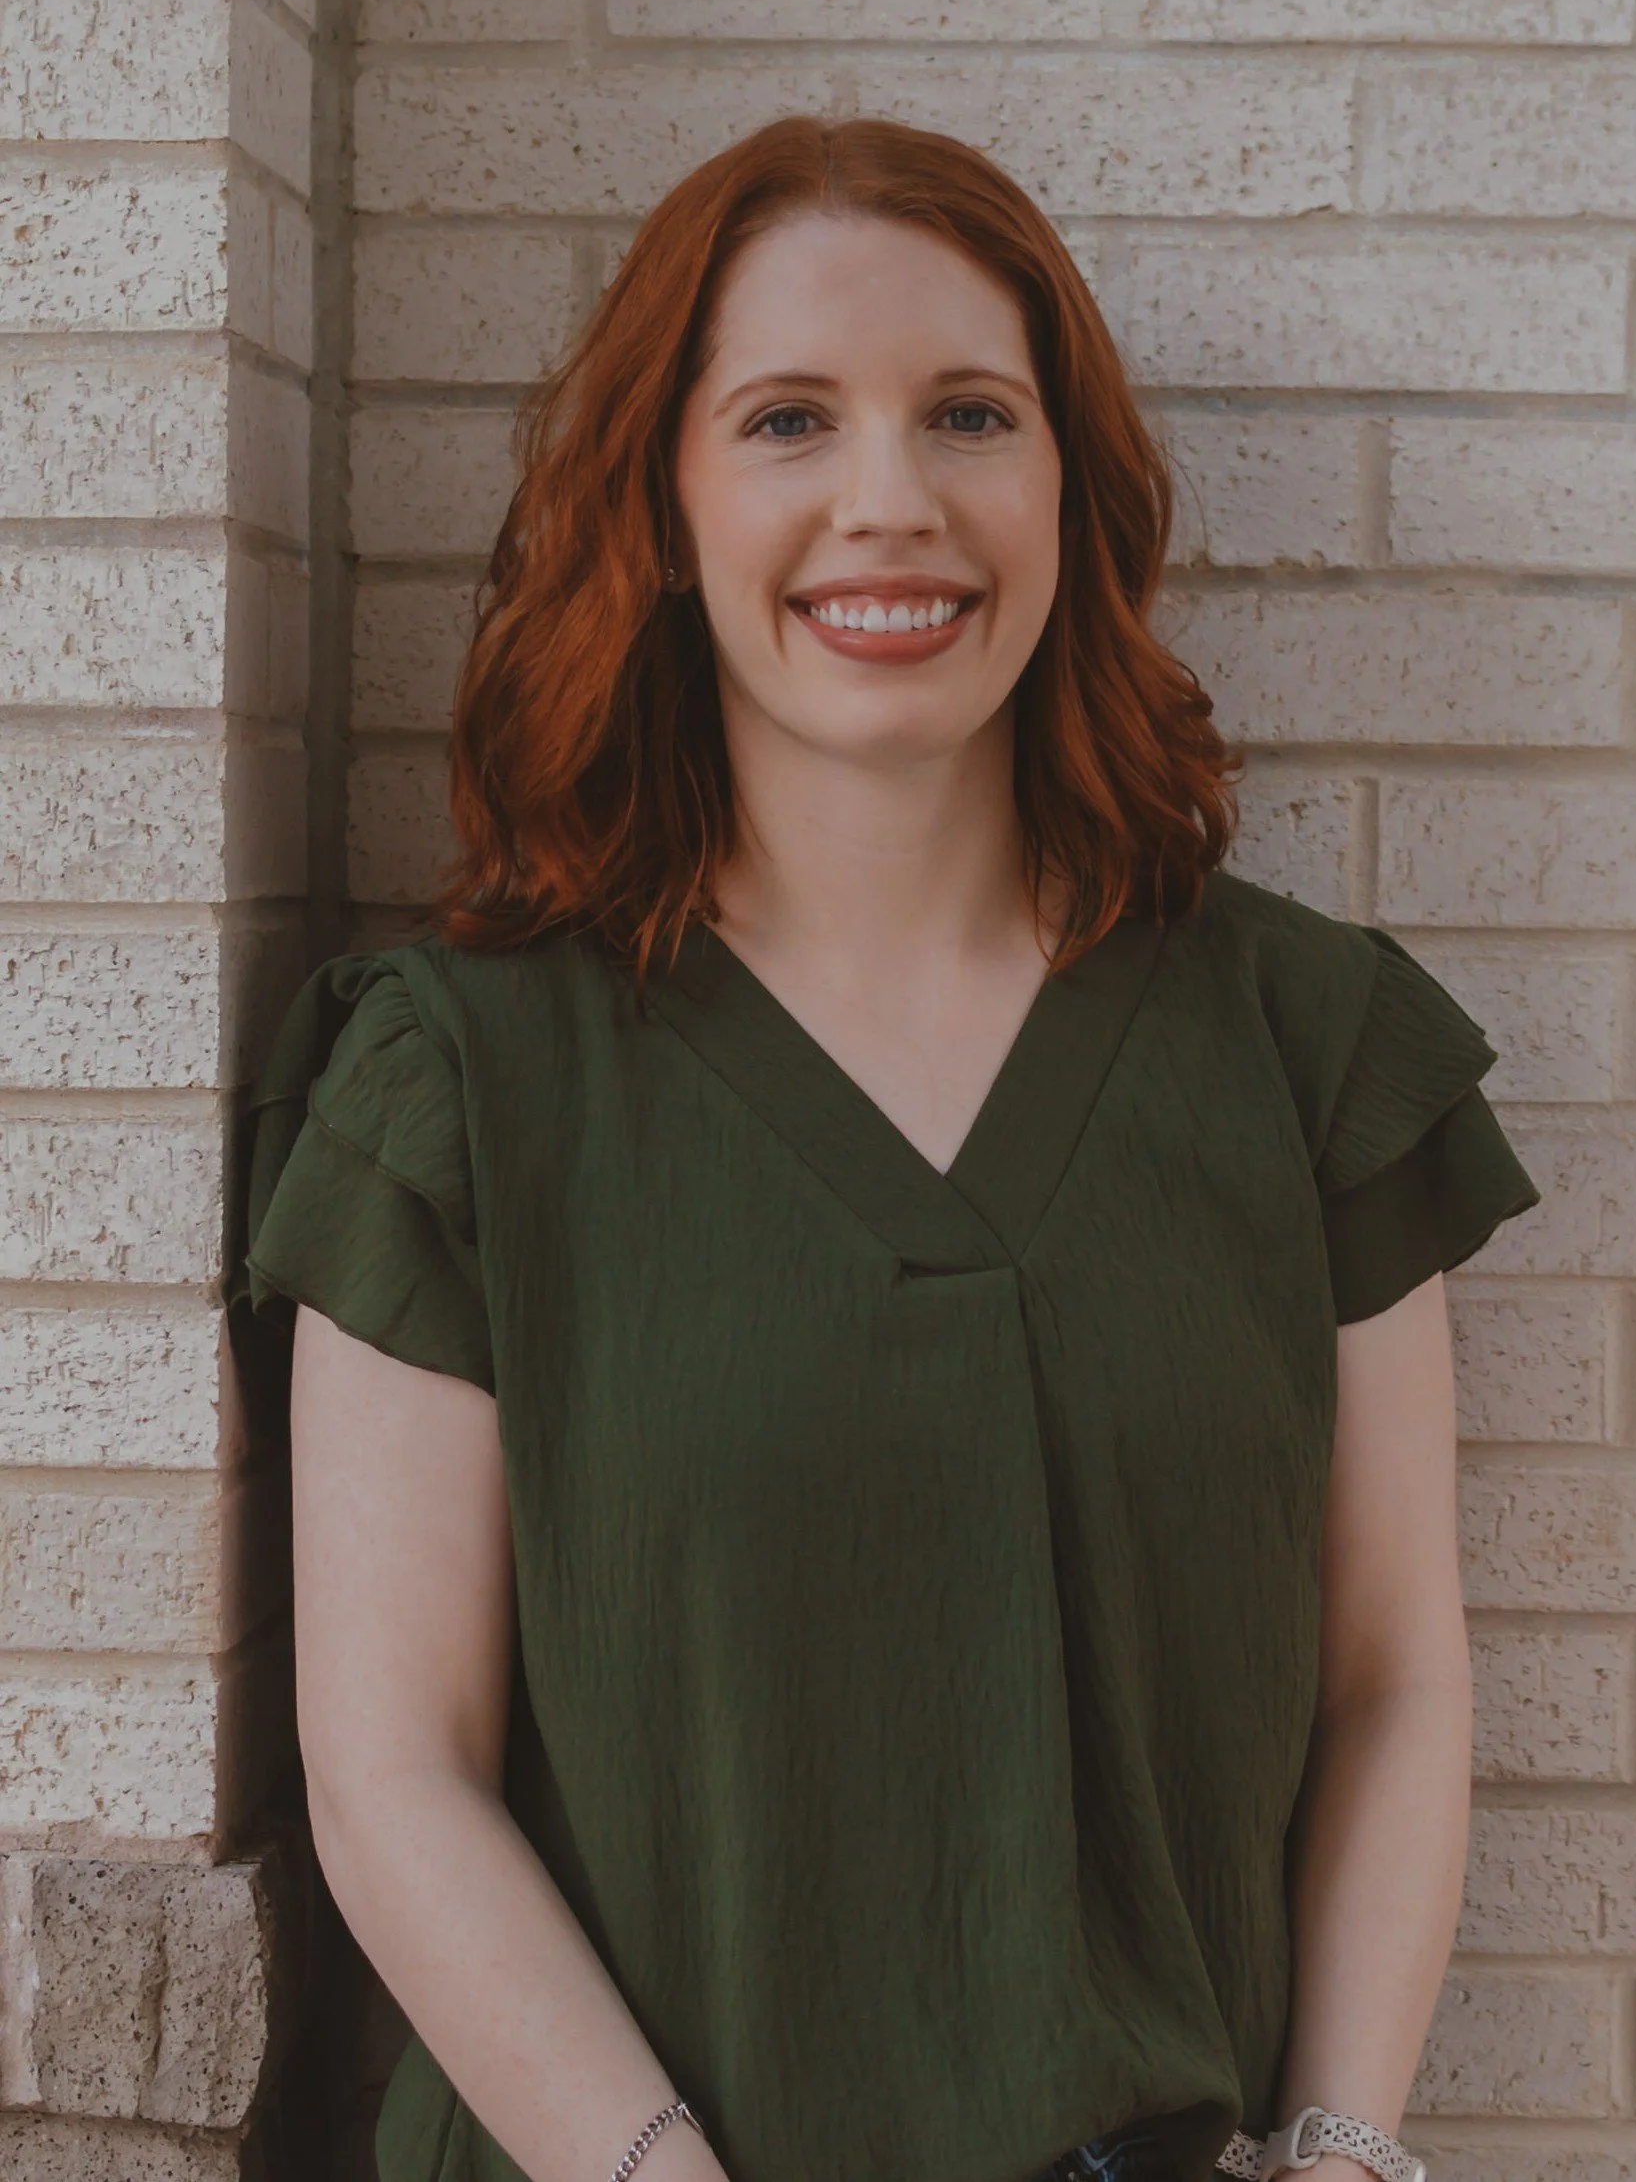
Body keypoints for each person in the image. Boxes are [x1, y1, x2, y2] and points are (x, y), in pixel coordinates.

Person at [228, 115, 1541, 2182]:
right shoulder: (463, 1087)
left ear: (1064, 488)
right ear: (661, 505)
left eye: (964, 414)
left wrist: (1340, 2145)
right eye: (782, 420)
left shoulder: (1303, 1049)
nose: (888, 503)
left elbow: (1389, 1677)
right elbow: (393, 1769)